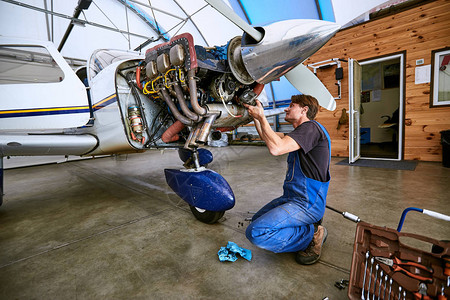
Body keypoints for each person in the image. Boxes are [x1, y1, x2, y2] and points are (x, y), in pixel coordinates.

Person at [243, 94, 331, 265]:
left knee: (257, 232)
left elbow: (276, 148)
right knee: (257, 220)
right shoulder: (300, 133)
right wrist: (255, 116)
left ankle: (313, 234)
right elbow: (266, 136)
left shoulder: (311, 128)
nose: (286, 108)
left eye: (291, 105)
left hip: (307, 203)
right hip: (292, 198)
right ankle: (307, 227)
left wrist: (261, 115)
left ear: (304, 110)